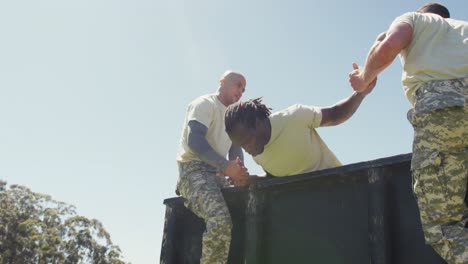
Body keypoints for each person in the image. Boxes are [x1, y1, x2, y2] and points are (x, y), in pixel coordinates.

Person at [348, 3, 467, 263]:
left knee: (444, 226)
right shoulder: (463, 30)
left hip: (443, 114)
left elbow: (389, 44)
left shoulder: (415, 20)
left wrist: (364, 78)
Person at [224, 83, 375, 178]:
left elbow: (336, 113)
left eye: (247, 141)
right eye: (241, 145)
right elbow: (275, 174)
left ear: (257, 123)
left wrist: (361, 93)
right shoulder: (256, 152)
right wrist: (251, 180)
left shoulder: (295, 116)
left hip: (339, 186)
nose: (247, 149)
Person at [176, 70, 249, 264]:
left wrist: (239, 173)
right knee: (220, 220)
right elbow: (195, 141)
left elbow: (235, 150)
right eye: (238, 84)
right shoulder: (204, 104)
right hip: (193, 171)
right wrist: (225, 166)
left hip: (217, 174)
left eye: (244, 89)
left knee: (245, 209)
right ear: (222, 82)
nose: (241, 91)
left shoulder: (233, 118)